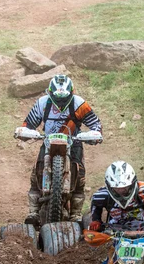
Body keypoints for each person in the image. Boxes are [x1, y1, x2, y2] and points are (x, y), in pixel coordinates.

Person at [20, 74, 102, 225]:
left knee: (80, 175)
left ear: (71, 93)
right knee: (36, 173)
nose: (60, 101)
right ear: (50, 93)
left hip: (73, 142)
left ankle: (75, 214)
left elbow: (95, 124)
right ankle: (33, 212)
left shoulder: (79, 104)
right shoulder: (42, 103)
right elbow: (28, 124)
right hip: (48, 142)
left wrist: (94, 134)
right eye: (57, 98)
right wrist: (25, 132)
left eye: (64, 98)